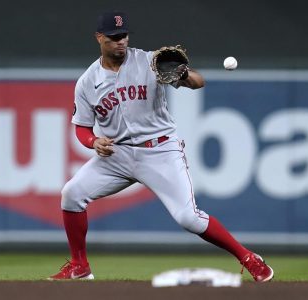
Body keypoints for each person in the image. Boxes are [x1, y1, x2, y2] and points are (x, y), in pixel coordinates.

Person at [49, 11, 274, 282]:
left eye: (124, 35)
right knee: (71, 195)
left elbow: (198, 82)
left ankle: (248, 257)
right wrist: (93, 141)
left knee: (188, 218)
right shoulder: (87, 81)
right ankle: (79, 266)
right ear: (99, 38)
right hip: (118, 154)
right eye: (114, 37)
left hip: (159, 151)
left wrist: (183, 76)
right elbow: (81, 127)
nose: (121, 41)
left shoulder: (149, 61)